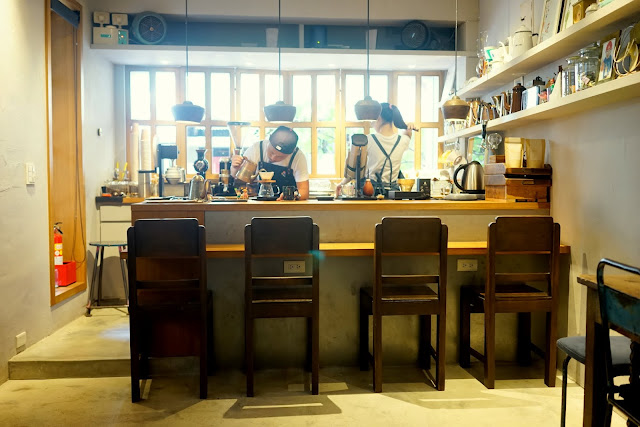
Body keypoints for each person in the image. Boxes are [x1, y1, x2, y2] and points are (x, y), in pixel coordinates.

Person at [337, 103, 417, 196]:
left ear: (378, 118)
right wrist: (407, 125)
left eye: (373, 119)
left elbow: (353, 170)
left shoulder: (368, 140)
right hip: (393, 195)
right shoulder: (403, 141)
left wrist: (341, 184)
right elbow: (408, 133)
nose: (371, 123)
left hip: (370, 192)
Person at [231, 126, 309, 200]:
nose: (273, 158)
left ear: (291, 152)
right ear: (269, 140)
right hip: (261, 203)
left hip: (287, 205)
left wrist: (291, 195)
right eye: (271, 152)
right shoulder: (256, 149)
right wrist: (235, 168)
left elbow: (304, 191)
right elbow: (241, 180)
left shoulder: (297, 157)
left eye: (280, 157)